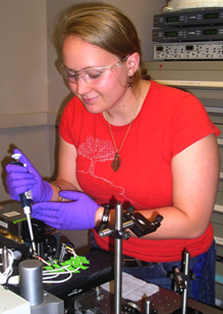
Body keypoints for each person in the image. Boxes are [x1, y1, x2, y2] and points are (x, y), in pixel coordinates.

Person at [5, 4, 220, 306]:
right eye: (71, 74)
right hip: (105, 257)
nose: (81, 88)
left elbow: (192, 220)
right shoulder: (76, 112)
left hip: (172, 267)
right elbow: (72, 186)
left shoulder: (180, 113)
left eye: (93, 74)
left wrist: (100, 216)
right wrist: (45, 190)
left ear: (130, 63)